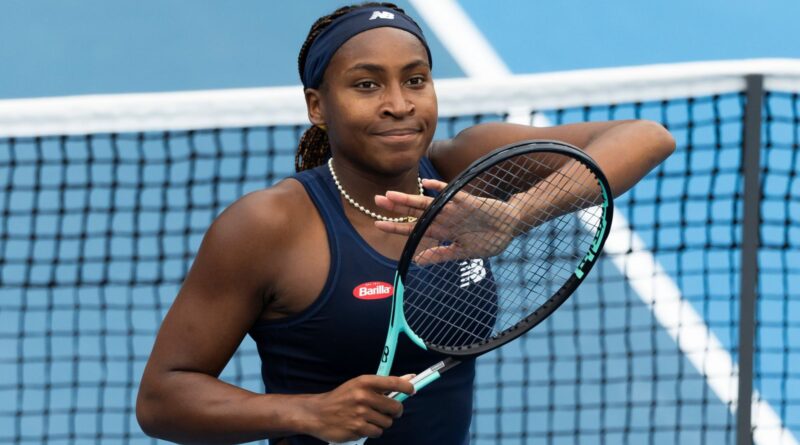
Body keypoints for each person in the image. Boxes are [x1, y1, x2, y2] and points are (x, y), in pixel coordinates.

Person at [136, 2, 675, 444]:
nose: (399, 105)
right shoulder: (268, 226)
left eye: (415, 80)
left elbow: (648, 137)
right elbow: (163, 397)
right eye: (367, 85)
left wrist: (516, 215)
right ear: (317, 106)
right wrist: (305, 413)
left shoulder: (466, 169)